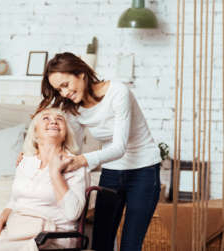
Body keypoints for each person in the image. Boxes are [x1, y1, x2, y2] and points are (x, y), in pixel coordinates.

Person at [19, 52, 161, 251]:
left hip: (143, 170)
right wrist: (31, 156)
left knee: (130, 244)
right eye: (59, 89)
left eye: (66, 84)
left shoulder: (118, 92)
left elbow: (119, 148)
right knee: (100, 241)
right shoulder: (73, 109)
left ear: (81, 74)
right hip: (112, 171)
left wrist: (81, 160)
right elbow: (69, 147)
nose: (64, 93)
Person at [0, 108, 86, 251]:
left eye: (59, 119)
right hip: (18, 227)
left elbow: (73, 213)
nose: (53, 121)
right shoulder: (26, 162)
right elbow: (15, 199)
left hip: (51, 235)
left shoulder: (75, 164)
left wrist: (55, 174)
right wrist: (1, 218)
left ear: (66, 133)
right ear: (35, 133)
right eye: (46, 118)